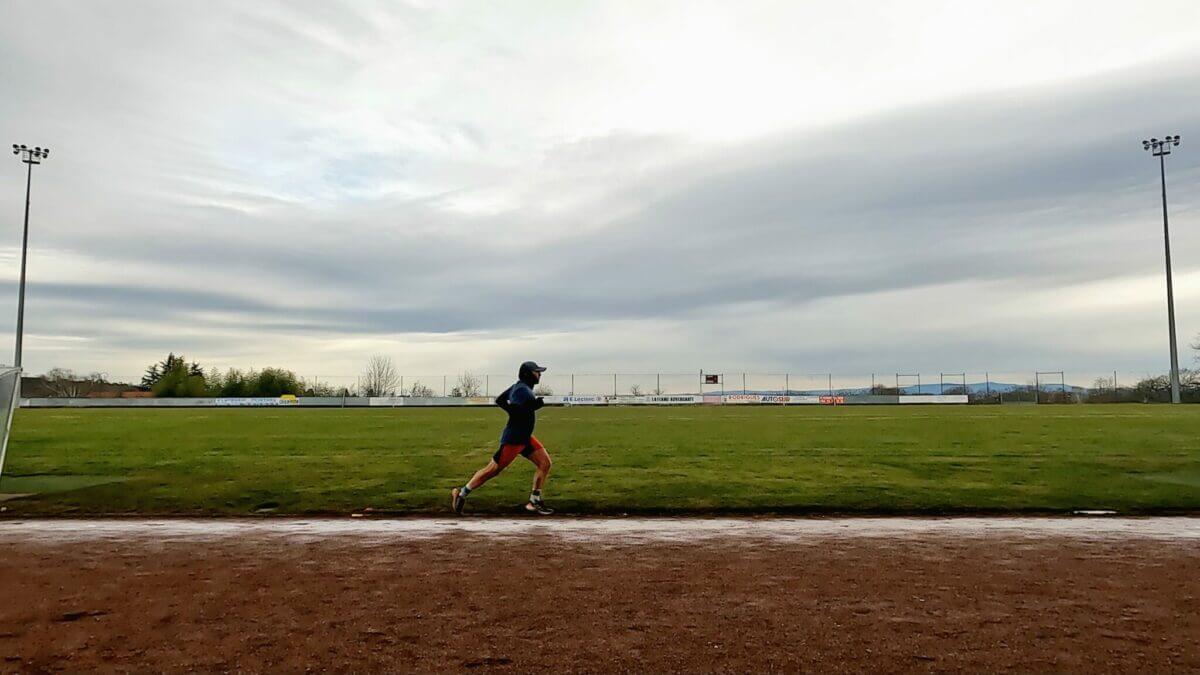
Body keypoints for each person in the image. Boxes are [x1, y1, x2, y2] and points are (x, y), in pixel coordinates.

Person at [452, 361, 554, 515]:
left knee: (545, 463)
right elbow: (518, 406)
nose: (539, 374)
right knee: (492, 470)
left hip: (525, 437)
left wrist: (521, 409)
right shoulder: (522, 390)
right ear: (528, 374)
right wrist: (532, 406)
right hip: (514, 439)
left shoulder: (518, 387)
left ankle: (534, 501)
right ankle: (461, 493)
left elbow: (500, 400)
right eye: (536, 372)